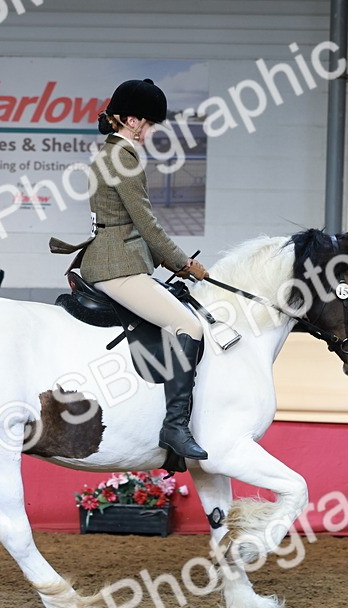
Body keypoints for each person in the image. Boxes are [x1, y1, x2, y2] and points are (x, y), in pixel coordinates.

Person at [78, 78, 210, 461]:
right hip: (117, 264)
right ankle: (175, 427)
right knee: (190, 326)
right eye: (150, 124)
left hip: (111, 255)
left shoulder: (109, 152)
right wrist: (183, 264)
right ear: (133, 121)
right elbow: (147, 224)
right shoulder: (125, 157)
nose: (152, 132)